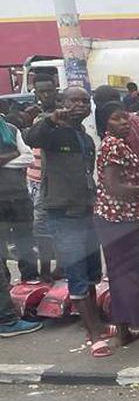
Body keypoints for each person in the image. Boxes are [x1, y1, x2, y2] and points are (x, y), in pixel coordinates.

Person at [23, 86, 108, 353]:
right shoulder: (50, 130)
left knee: (93, 273)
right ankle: (94, 335)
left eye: (85, 101)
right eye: (74, 100)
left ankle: (93, 325)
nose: (81, 105)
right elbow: (30, 137)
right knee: (77, 275)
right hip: (63, 213)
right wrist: (50, 120)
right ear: (62, 103)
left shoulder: (84, 136)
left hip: (86, 211)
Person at [92, 102, 139, 353]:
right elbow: (114, 187)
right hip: (119, 218)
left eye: (125, 118)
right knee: (134, 276)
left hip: (113, 219)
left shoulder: (114, 144)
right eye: (117, 119)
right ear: (105, 123)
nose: (124, 123)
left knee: (119, 275)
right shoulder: (114, 146)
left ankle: (124, 330)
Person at [0, 111, 37, 283]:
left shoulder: (11, 129)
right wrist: (14, 154)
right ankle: (4, 283)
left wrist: (2, 161)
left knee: (26, 241)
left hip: (19, 195)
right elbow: (21, 155)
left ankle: (30, 280)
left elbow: (29, 158)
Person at [29, 75, 58, 281]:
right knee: (40, 227)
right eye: (42, 91)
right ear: (36, 93)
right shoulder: (36, 115)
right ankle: (46, 268)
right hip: (34, 178)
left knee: (49, 225)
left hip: (51, 181)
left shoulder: (59, 115)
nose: (46, 95)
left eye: (49, 90)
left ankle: (50, 270)